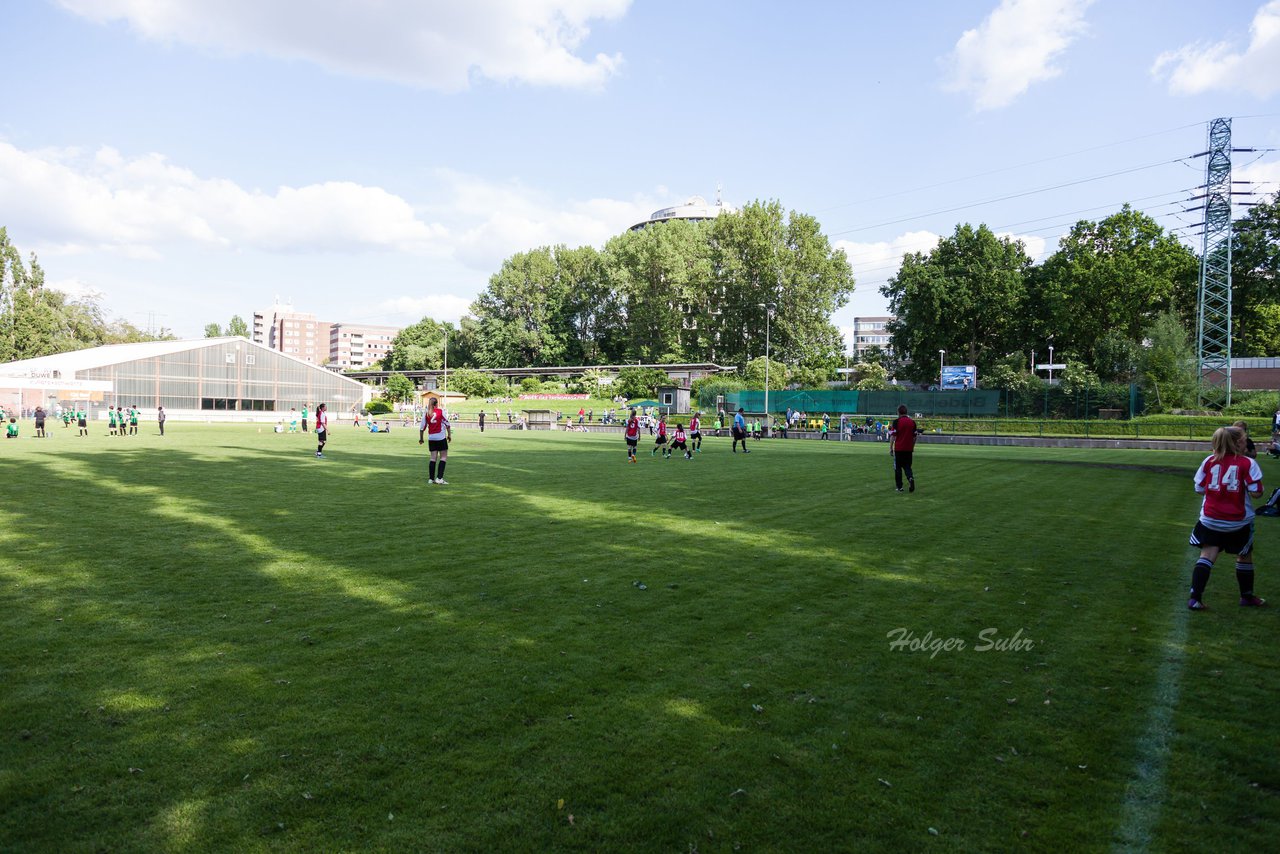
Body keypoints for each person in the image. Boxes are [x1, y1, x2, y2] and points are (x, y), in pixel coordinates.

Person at [1187, 426, 1266, 610]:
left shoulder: (1209, 461)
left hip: (1210, 519)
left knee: (1207, 555)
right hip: (1238, 522)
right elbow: (1257, 493)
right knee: (1244, 555)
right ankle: (1246, 596)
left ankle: (1195, 598)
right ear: (1238, 443)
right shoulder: (1247, 463)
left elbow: (1199, 489)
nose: (1246, 441)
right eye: (1245, 439)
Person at [419, 396, 453, 484]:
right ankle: (439, 478)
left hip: (431, 438)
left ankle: (431, 479)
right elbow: (447, 424)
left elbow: (422, 427)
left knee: (433, 458)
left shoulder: (426, 413)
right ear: (436, 404)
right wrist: (449, 435)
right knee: (443, 457)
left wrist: (421, 439)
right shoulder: (441, 411)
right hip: (440, 437)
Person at [889, 404, 922, 493]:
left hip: (899, 449)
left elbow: (893, 436)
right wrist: (912, 447)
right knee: (907, 467)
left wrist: (891, 448)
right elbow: (915, 437)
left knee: (898, 468)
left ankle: (900, 487)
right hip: (908, 449)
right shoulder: (912, 422)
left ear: (898, 412)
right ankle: (910, 478)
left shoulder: (896, 422)